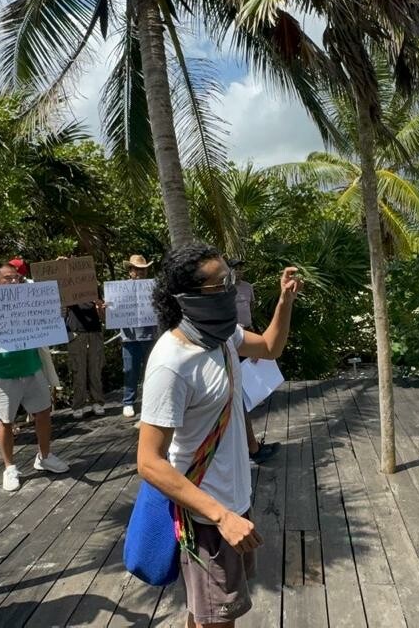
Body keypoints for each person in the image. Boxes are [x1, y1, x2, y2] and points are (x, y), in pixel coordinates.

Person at [137, 244, 300, 628]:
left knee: (205, 613)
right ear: (188, 298)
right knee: (218, 620)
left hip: (233, 501)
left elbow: (271, 347)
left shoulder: (223, 334)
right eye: (221, 283)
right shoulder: (171, 363)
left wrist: (284, 300)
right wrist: (220, 515)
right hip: (207, 517)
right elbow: (148, 461)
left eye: (231, 279)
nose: (231, 288)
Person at [0, 263, 70, 491]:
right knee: (6, 421)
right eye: (8, 278)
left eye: (16, 277)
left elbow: (47, 325)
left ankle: (44, 456)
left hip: (32, 367)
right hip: (3, 373)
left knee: (44, 413)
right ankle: (10, 468)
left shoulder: (29, 301)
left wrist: (57, 315)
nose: (14, 281)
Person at [227, 257, 278, 464]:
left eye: (241, 268)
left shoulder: (247, 288)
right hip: (230, 335)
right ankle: (251, 448)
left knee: (247, 374)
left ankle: (251, 447)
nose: (239, 272)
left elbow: (269, 346)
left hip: (242, 332)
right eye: (235, 268)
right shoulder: (224, 292)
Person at [120, 255, 156, 418]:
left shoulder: (154, 287)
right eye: (137, 269)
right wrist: (107, 306)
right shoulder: (119, 289)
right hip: (130, 337)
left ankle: (150, 401)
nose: (140, 272)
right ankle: (128, 402)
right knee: (130, 370)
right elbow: (114, 311)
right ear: (130, 271)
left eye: (143, 269)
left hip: (150, 335)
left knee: (152, 370)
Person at [66, 298, 107, 419]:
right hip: (75, 333)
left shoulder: (94, 288)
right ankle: (79, 405)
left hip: (95, 332)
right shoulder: (67, 288)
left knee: (95, 369)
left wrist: (100, 308)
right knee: (78, 370)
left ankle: (97, 402)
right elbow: (60, 314)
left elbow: (104, 317)